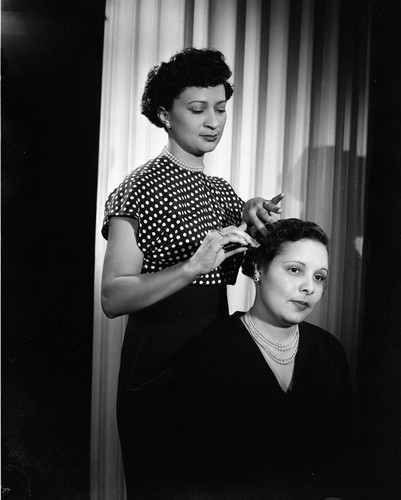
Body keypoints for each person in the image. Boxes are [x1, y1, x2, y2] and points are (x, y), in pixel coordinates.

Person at [100, 47, 283, 497]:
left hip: (216, 355)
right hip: (159, 358)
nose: (214, 122)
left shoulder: (223, 191)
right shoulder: (139, 185)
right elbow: (113, 297)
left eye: (221, 108)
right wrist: (191, 267)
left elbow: (237, 269)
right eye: (198, 109)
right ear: (165, 114)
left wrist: (250, 220)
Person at [161, 218, 360, 500]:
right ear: (258, 268)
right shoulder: (206, 354)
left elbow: (344, 460)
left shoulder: (329, 351)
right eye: (294, 270)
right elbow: (191, 476)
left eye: (319, 277)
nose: (309, 288)